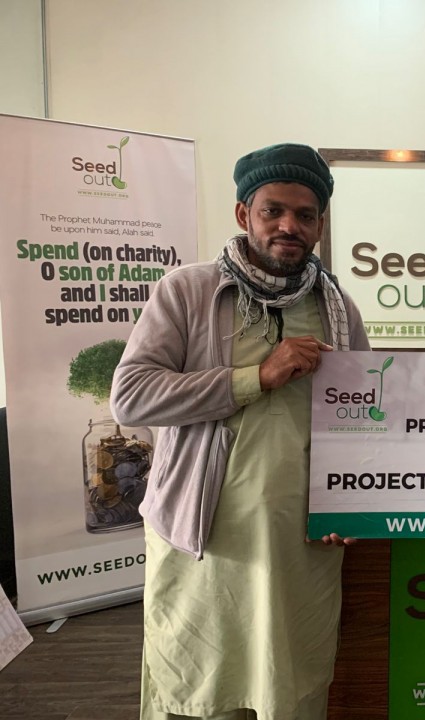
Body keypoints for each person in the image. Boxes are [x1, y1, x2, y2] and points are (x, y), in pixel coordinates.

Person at [111, 143, 371, 720]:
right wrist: (257, 376)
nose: (289, 226)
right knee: (199, 692)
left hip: (299, 545)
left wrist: (349, 502)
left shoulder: (338, 309)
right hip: (205, 541)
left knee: (291, 687)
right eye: (273, 210)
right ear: (243, 214)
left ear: (320, 224)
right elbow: (130, 396)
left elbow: (359, 418)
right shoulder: (188, 291)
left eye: (305, 215)